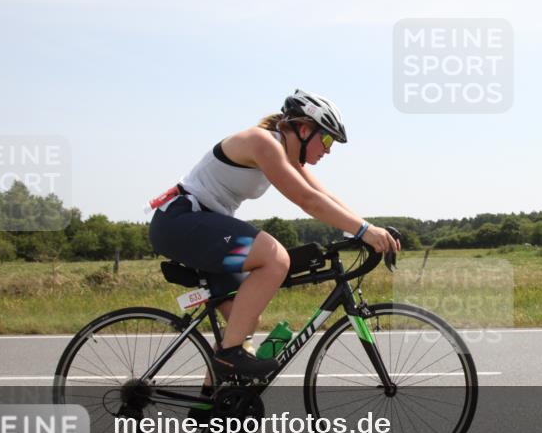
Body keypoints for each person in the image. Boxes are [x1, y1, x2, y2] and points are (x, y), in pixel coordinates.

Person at [147, 89, 400, 380]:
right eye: (327, 139)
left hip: (199, 224)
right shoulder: (262, 142)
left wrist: (367, 228)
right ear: (304, 129)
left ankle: (210, 407)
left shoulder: (286, 155)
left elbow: (323, 195)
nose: (329, 149)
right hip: (180, 220)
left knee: (244, 323)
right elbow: (308, 200)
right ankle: (229, 357)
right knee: (275, 258)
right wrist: (365, 232)